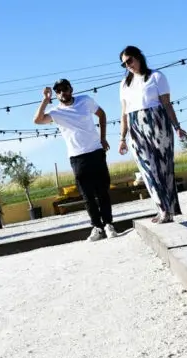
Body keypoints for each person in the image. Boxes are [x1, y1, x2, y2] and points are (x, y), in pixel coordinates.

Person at [34, 78, 118, 242]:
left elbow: (101, 114)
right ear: (56, 95)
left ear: (71, 89)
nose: (62, 93)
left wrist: (103, 138)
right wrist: (45, 100)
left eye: (64, 89)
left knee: (102, 192)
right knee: (87, 195)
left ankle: (108, 225)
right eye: (58, 91)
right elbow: (37, 120)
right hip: (77, 157)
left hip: (96, 151)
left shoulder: (85, 101)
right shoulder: (56, 112)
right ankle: (97, 227)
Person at [117, 45, 187, 224]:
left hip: (158, 122)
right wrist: (122, 138)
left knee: (164, 168)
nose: (128, 66)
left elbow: (167, 104)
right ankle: (162, 209)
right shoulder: (124, 84)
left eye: (129, 60)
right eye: (124, 64)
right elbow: (123, 112)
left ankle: (169, 210)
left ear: (138, 57)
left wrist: (177, 127)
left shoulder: (157, 76)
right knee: (147, 169)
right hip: (135, 125)